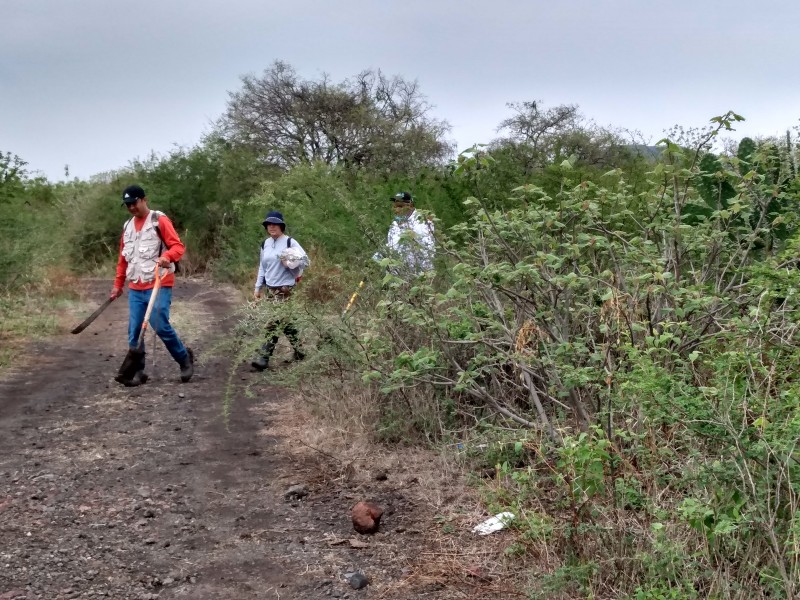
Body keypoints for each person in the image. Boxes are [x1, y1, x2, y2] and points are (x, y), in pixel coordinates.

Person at [110, 185, 194, 386]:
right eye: (127, 205)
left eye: (134, 203)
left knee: (160, 324)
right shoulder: (127, 227)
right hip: (136, 287)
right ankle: (138, 372)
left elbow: (178, 247)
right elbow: (123, 259)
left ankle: (184, 359)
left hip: (159, 282)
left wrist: (167, 256)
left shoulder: (159, 220)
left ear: (144, 199)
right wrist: (118, 284)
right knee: (134, 330)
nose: (131, 207)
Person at [251, 210, 309, 371]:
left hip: (285, 288)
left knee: (274, 321)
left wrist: (290, 261)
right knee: (285, 322)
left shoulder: (290, 242)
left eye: (275, 224)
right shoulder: (265, 244)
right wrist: (258, 287)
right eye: (269, 224)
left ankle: (264, 358)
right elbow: (262, 267)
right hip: (270, 289)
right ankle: (300, 350)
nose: (272, 226)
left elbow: (306, 260)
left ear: (281, 226)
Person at [374, 191, 435, 276]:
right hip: (397, 276)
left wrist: (425, 275)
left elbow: (428, 250)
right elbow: (393, 245)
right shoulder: (395, 224)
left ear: (410, 205)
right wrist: (380, 255)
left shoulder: (421, 223)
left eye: (400, 206)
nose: (397, 210)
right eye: (395, 206)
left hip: (417, 277)